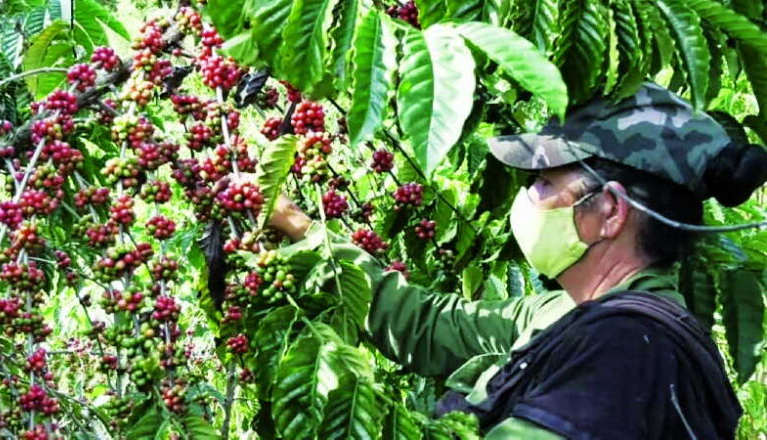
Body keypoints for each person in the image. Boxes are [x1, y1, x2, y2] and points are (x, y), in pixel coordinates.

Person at [264, 83, 767, 439]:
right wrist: (304, 232)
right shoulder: (561, 313)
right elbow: (427, 322)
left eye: (545, 182)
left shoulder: (628, 351)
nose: (527, 198)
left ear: (609, 211)